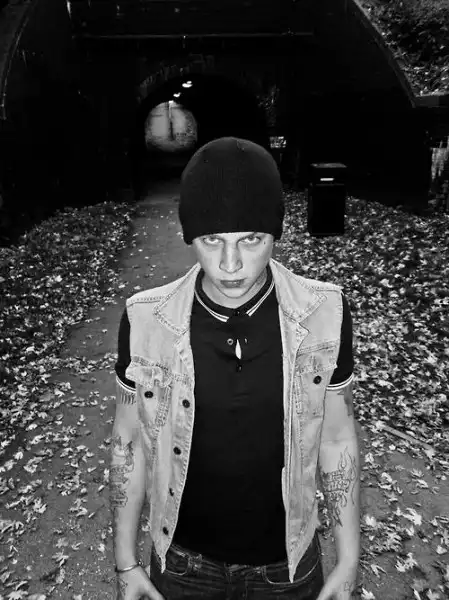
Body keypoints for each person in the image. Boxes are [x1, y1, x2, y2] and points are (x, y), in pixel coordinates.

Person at [111, 136, 361, 600]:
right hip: (182, 566)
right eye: (212, 240)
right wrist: (125, 561)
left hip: (287, 568)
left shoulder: (325, 314)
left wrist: (348, 559)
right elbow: (128, 444)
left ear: (275, 233)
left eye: (251, 238)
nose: (230, 264)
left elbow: (337, 437)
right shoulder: (145, 320)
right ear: (190, 235)